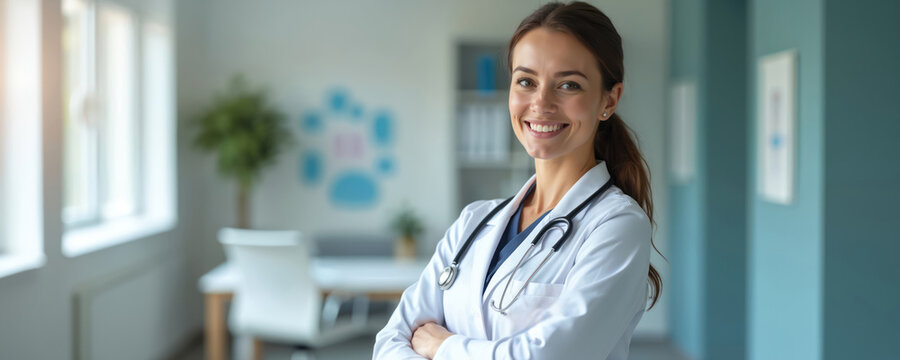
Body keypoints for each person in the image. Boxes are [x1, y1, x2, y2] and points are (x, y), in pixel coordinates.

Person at [373, 2, 663, 359]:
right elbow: (390, 341)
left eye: (569, 85)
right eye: (526, 81)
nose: (541, 103)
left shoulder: (616, 226)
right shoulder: (474, 221)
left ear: (609, 99)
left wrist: (442, 345)